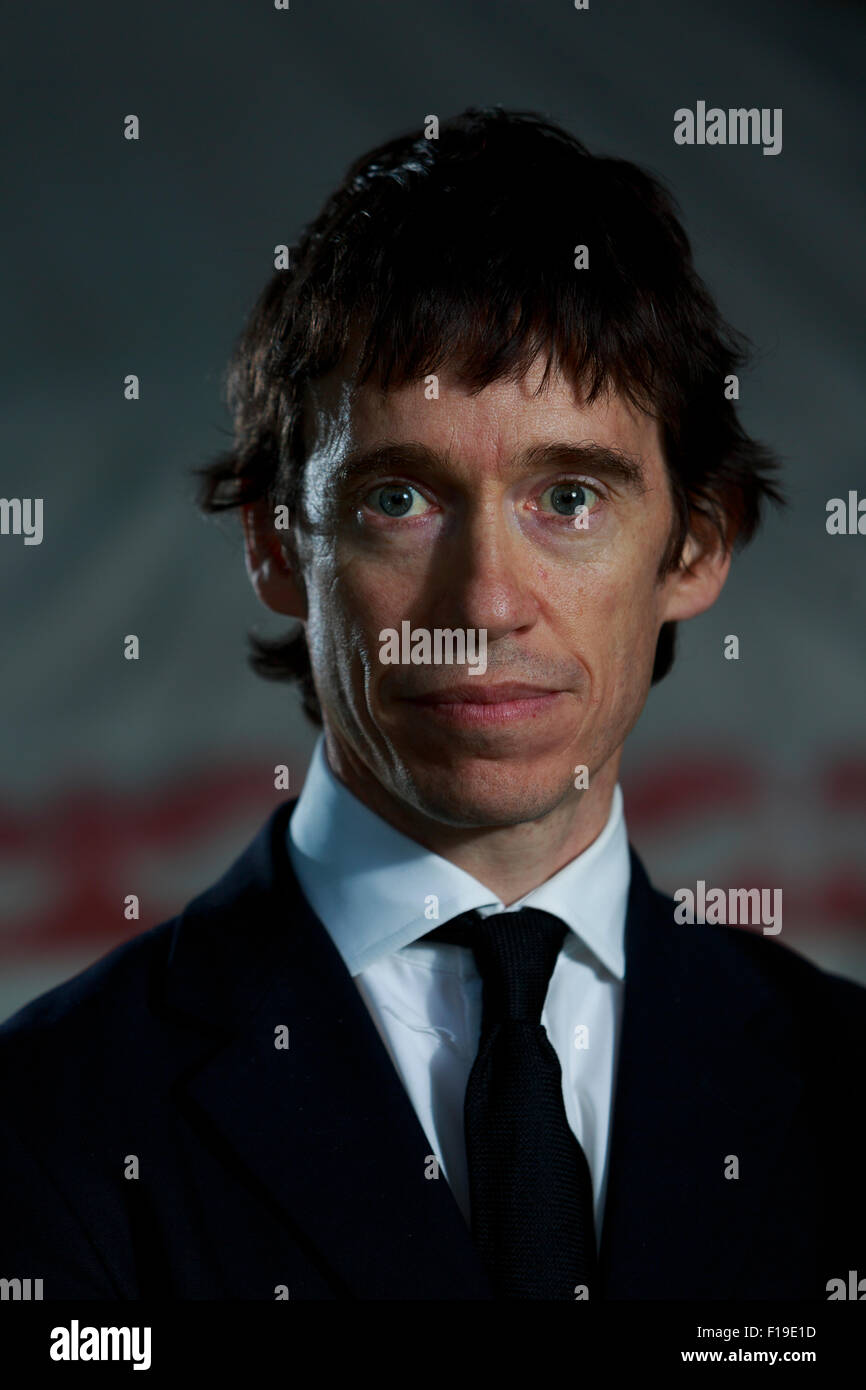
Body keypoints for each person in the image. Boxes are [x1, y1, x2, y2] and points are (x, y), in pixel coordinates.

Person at [1, 107, 862, 1302]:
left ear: (695, 546)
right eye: (399, 497)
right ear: (275, 545)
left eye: (568, 495)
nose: (487, 601)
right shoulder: (41, 1121)